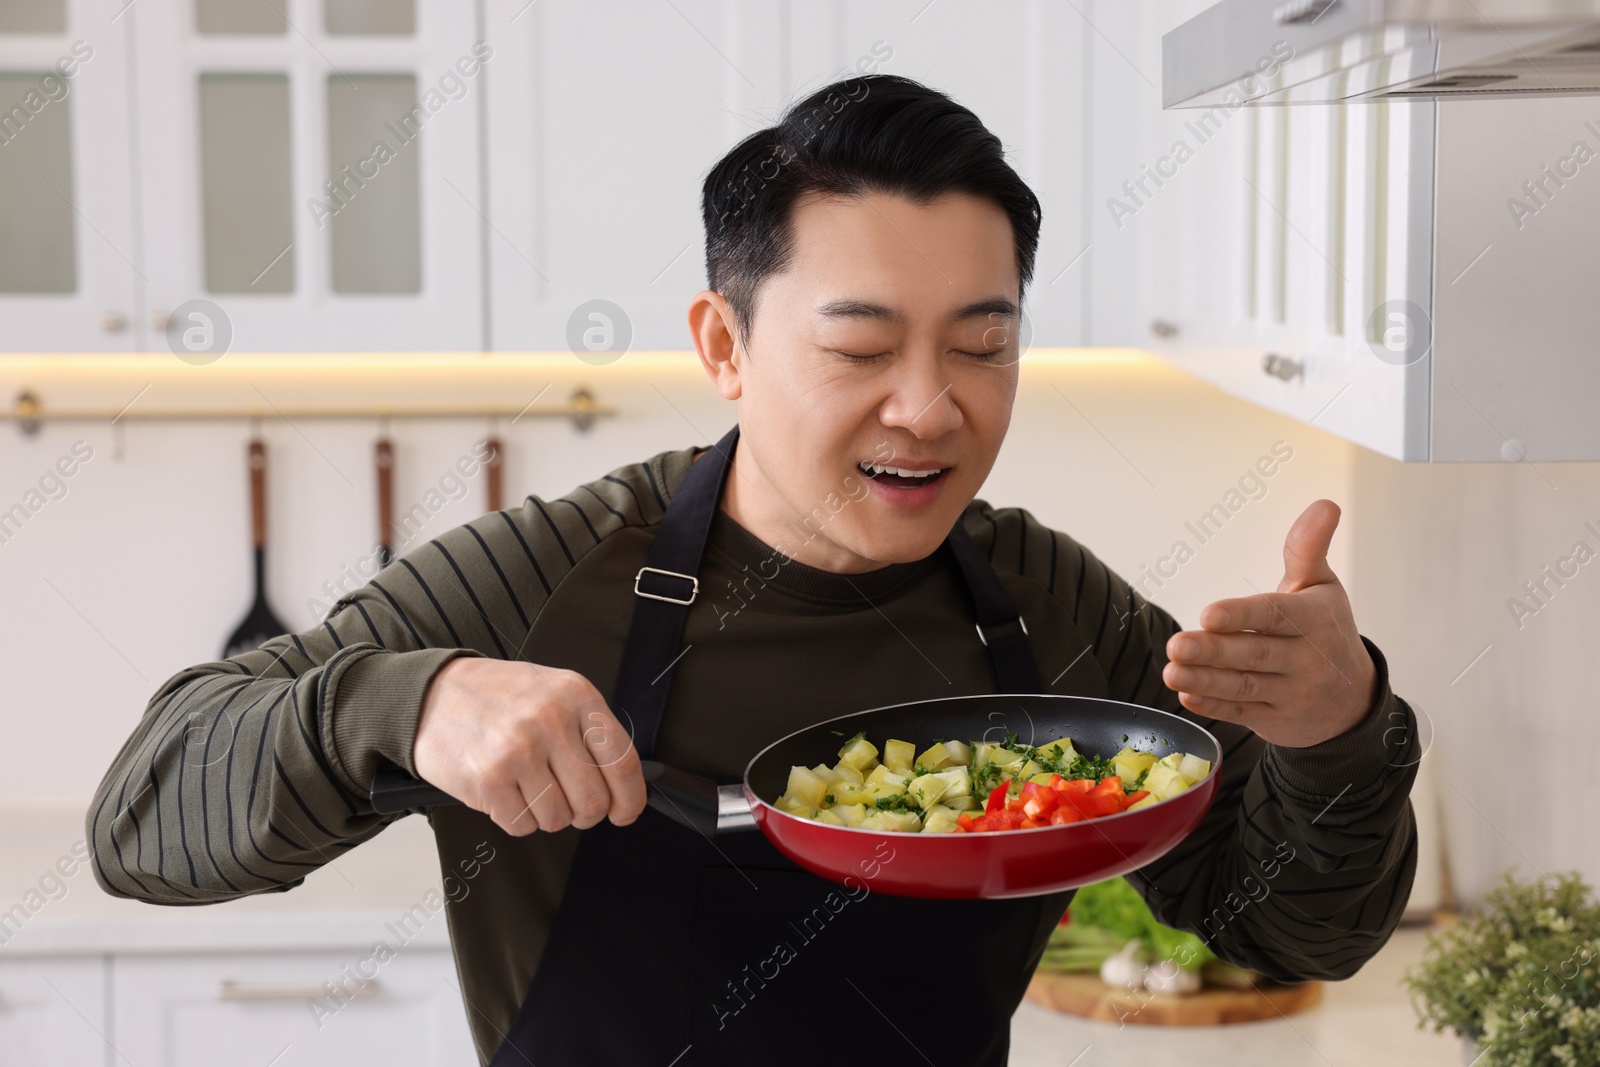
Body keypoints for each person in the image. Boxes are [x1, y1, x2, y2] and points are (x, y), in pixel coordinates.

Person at [87, 74, 1419, 1066]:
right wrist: (405, 703)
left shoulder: (1051, 608)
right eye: (859, 349)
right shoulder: (550, 575)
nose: (930, 408)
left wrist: (1339, 729)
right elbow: (140, 823)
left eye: (981, 345)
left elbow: (1296, 935)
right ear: (724, 345)